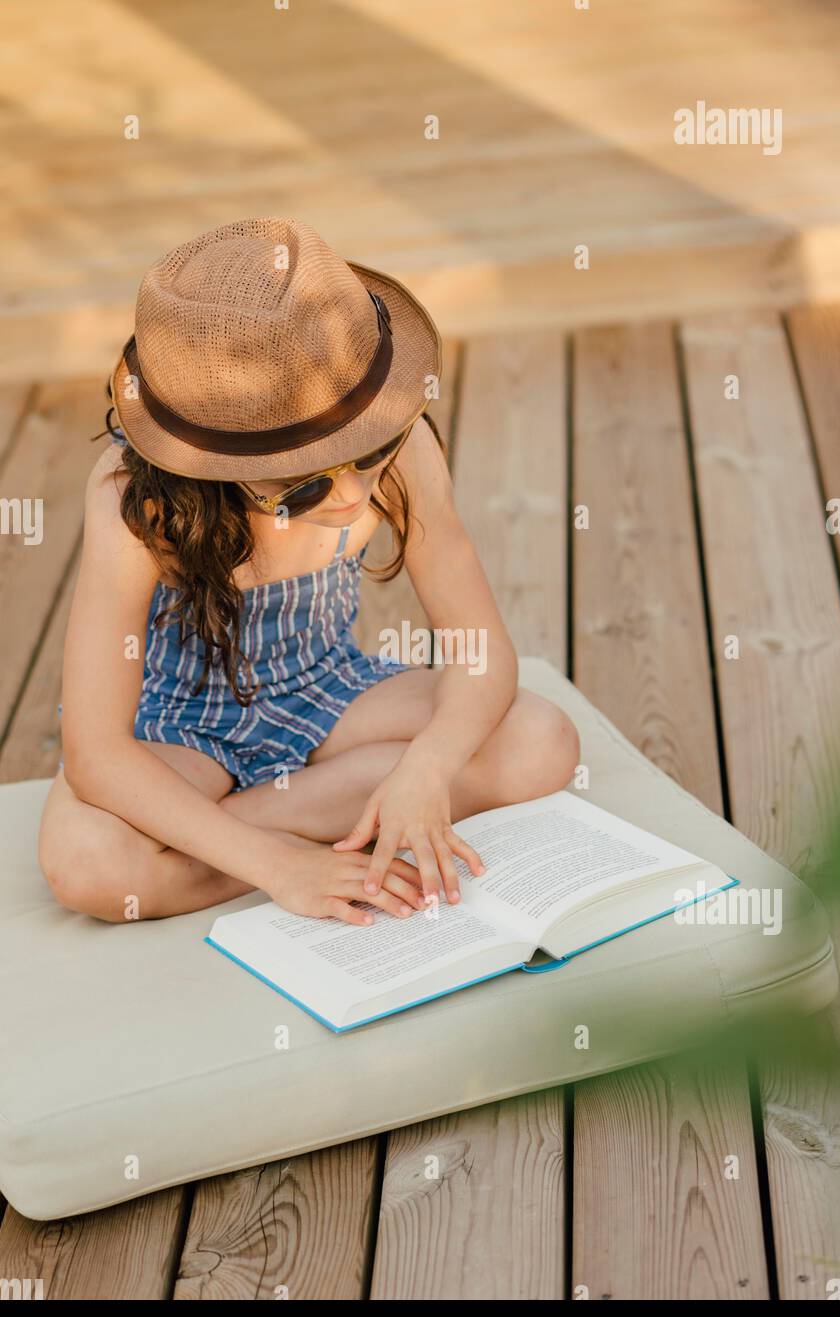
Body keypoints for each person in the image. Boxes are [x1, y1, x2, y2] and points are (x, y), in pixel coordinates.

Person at [39, 218, 580, 925]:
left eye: (368, 452)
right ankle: (295, 833)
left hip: (324, 689)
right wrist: (279, 868)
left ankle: (221, 837)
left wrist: (427, 768)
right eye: (301, 488)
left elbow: (478, 650)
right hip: (177, 725)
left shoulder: (407, 446)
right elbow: (97, 751)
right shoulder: (134, 500)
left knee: (542, 742)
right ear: (209, 466)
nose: (354, 495)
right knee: (88, 865)